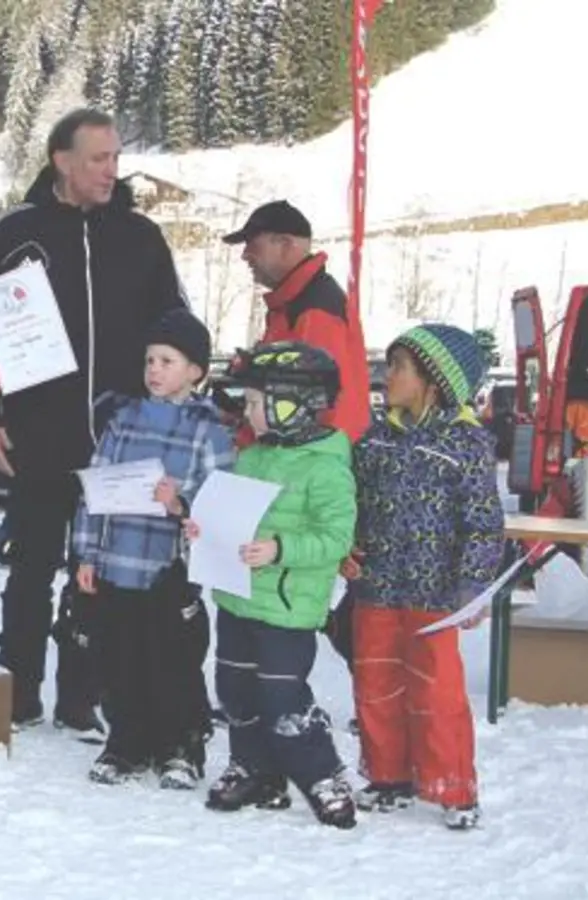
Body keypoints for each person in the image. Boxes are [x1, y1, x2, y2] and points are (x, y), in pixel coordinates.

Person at [0, 107, 189, 736]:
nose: (111, 171)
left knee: (101, 573)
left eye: (116, 158)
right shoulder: (16, 233)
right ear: (62, 161)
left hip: (119, 440)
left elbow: (174, 324)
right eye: (98, 159)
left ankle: (83, 693)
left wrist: (171, 407)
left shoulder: (142, 237)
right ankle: (18, 688)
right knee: (31, 567)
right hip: (37, 433)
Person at [186, 341, 358, 830]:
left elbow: (335, 537)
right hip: (238, 598)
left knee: (282, 698)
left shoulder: (325, 467)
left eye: (257, 403)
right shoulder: (253, 456)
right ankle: (254, 769)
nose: (248, 412)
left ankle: (322, 775)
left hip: (286, 608)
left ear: (292, 405)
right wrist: (206, 528)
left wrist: (280, 549)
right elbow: (234, 514)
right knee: (235, 690)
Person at [350, 324, 502, 831]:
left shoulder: (466, 444)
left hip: (434, 594)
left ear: (433, 381)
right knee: (376, 685)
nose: (385, 375)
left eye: (398, 367)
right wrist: (347, 548)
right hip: (377, 587)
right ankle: (387, 777)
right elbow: (353, 505)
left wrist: (473, 584)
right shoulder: (375, 441)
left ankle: (453, 787)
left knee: (437, 694)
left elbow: (483, 522)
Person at [72, 308, 230, 788]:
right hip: (118, 563)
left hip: (169, 572)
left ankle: (180, 746)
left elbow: (222, 502)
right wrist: (86, 554)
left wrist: (180, 503)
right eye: (149, 361)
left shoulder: (209, 431)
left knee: (172, 662)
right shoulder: (122, 421)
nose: (154, 370)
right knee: (119, 658)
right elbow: (93, 491)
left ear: (195, 370)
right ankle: (126, 743)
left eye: (167, 361)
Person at [222, 200, 371, 672]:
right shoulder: (292, 304)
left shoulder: (316, 309)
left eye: (253, 244)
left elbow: (313, 403)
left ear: (285, 244)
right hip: (291, 467)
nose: (246, 256)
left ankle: (288, 694)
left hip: (307, 474)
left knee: (294, 618)